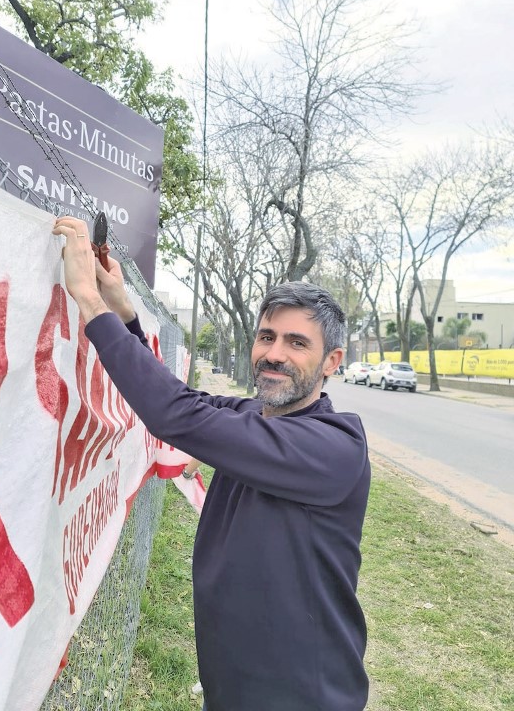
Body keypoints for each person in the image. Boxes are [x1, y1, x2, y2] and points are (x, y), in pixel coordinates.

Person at [52, 217, 371, 711]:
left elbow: (175, 416)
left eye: (297, 343)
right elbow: (182, 401)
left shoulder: (332, 449)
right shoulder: (256, 415)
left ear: (332, 361)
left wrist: (89, 304)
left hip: (300, 693)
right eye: (267, 337)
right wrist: (122, 309)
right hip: (233, 681)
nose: (274, 354)